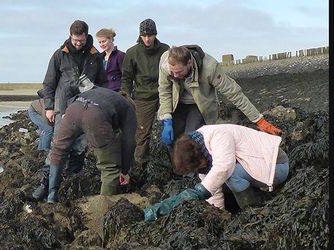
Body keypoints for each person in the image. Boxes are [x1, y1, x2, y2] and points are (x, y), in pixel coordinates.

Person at [143, 124, 290, 222]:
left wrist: (199, 192)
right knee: (220, 181)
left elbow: (224, 167)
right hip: (258, 169)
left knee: (230, 175)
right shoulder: (203, 156)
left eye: (197, 167)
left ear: (198, 156)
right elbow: (214, 192)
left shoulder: (218, 136)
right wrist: (220, 216)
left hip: (277, 165)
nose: (198, 170)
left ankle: (252, 211)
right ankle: (255, 201)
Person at [34, 20, 107, 201]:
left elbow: (103, 83)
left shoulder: (95, 56)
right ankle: (46, 185)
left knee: (79, 148)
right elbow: (49, 83)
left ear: (86, 37)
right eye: (75, 40)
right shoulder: (60, 55)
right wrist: (50, 107)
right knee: (58, 146)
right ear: (70, 36)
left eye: (81, 40)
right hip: (63, 107)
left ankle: (73, 183)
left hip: (86, 107)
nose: (77, 43)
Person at [156, 45, 282, 147]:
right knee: (172, 139)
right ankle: (178, 170)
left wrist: (258, 120)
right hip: (176, 102)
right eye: (173, 72)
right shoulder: (165, 64)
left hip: (199, 105)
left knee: (190, 140)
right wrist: (166, 118)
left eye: (179, 72)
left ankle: (193, 175)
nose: (176, 75)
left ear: (189, 63)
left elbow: (233, 93)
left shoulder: (210, 68)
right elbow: (164, 91)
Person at [44, 81, 137, 202]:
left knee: (58, 151)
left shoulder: (102, 91)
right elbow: (129, 143)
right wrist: (124, 171)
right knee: (109, 167)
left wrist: (63, 112)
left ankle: (51, 197)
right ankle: (102, 206)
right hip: (96, 116)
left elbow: (68, 87)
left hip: (73, 109)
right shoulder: (129, 109)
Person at [120, 18, 170, 165]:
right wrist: (125, 95)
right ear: (140, 35)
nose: (147, 39)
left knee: (173, 128)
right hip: (142, 97)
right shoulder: (132, 53)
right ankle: (139, 164)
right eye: (144, 35)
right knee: (142, 134)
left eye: (150, 35)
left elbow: (173, 73)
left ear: (155, 34)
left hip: (164, 93)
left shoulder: (165, 50)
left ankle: (175, 162)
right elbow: (126, 78)